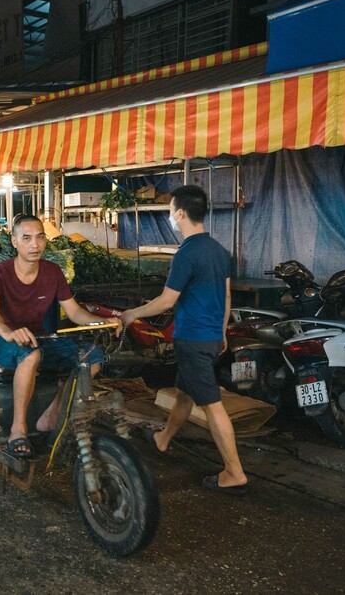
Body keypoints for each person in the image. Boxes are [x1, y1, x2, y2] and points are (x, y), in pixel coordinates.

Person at [120, 185, 249, 495]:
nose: (170, 218)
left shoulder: (187, 253)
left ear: (180, 214)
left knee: (213, 406)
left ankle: (234, 472)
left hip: (192, 338)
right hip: (210, 338)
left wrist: (131, 314)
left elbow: (166, 301)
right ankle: (165, 437)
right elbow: (226, 294)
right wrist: (221, 332)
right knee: (185, 392)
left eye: (170, 212)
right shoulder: (220, 251)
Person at [0, 214, 121, 458]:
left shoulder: (52, 272)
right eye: (26, 238)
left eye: (40, 237)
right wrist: (9, 332)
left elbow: (75, 312)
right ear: (14, 241)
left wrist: (102, 321)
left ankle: (52, 414)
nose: (34, 244)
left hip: (41, 338)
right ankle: (18, 429)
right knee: (31, 356)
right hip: (1, 340)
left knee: (94, 358)